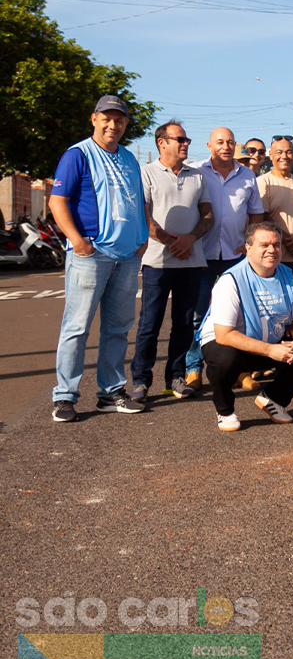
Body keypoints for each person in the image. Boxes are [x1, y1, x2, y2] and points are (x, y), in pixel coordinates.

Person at [48, 95, 150, 422]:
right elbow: (58, 201)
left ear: (125, 124)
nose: (112, 125)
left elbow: (139, 203)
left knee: (118, 328)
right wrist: (77, 241)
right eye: (106, 118)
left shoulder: (130, 160)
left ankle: (111, 393)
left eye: (119, 119)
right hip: (91, 254)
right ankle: (65, 397)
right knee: (77, 328)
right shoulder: (78, 155)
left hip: (127, 256)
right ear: (94, 119)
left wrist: (142, 237)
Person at [199, 222, 293, 431]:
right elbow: (224, 335)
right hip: (234, 344)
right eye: (264, 245)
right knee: (223, 359)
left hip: (271, 341)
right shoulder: (230, 280)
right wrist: (270, 350)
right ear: (248, 248)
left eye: (276, 245)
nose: (272, 250)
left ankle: (274, 399)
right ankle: (225, 411)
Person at [130, 119, 212, 403]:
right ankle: (140, 381)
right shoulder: (146, 173)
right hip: (157, 263)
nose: (185, 143)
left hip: (191, 262)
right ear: (162, 143)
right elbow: (145, 216)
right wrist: (171, 242)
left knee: (184, 323)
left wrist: (189, 240)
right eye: (180, 139)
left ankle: (175, 378)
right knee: (149, 324)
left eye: (186, 139)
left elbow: (208, 215)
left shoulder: (197, 176)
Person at [185, 126, 264, 391]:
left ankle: (240, 370)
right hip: (202, 254)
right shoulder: (196, 172)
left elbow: (255, 215)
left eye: (230, 142)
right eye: (220, 142)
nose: (226, 146)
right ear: (209, 145)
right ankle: (193, 369)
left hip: (235, 255)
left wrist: (248, 242)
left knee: (239, 314)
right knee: (198, 314)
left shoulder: (247, 176)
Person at [257, 135, 293, 264]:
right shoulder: (262, 182)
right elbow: (262, 217)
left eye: (289, 152)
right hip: (274, 257)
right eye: (279, 152)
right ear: (270, 154)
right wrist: (286, 239)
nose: (284, 156)